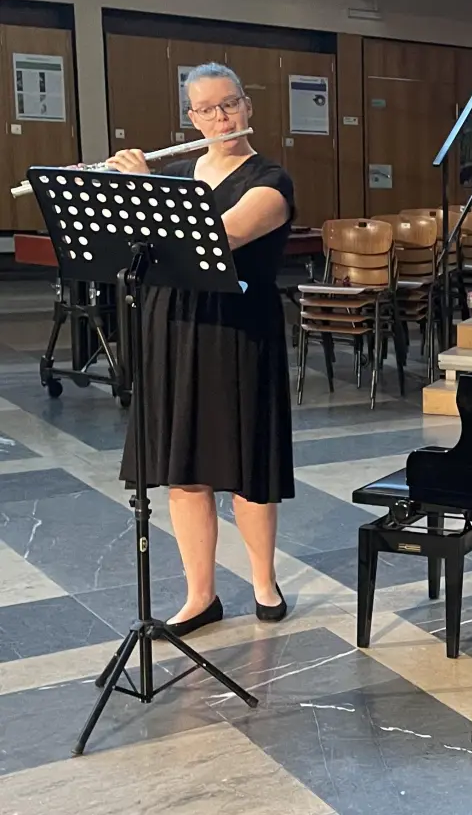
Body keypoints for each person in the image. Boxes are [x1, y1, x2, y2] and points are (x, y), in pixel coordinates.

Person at [108, 62, 295, 636]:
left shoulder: (271, 179)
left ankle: (263, 582)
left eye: (230, 104)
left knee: (246, 463)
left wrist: (144, 190)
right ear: (192, 117)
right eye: (208, 110)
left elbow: (223, 234)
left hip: (237, 328)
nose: (222, 118)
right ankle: (200, 596)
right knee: (183, 466)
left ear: (248, 106)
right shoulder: (178, 176)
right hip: (173, 324)